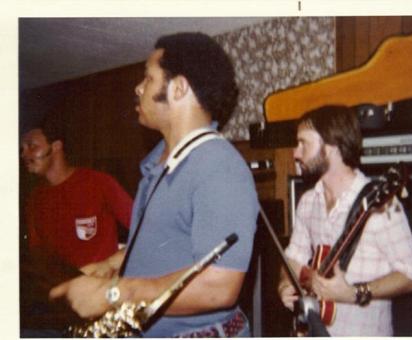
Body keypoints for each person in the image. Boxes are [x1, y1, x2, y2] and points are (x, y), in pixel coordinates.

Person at [49, 32, 259, 337]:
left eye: (148, 78)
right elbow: (171, 243)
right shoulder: (158, 165)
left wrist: (115, 293)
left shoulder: (218, 166)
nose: (138, 88)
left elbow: (219, 287)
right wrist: (112, 263)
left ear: (179, 88)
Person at [277, 105, 412, 336]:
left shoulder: (383, 204)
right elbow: (294, 258)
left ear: (331, 147)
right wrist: (285, 284)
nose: (295, 153)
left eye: (303, 143)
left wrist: (355, 293)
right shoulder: (308, 201)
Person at [21, 119, 133, 270]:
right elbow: (38, 254)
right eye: (22, 149)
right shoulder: (35, 199)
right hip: (58, 287)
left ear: (56, 146)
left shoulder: (98, 182)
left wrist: (113, 265)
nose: (24, 154)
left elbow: (144, 229)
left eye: (31, 146)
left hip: (100, 288)